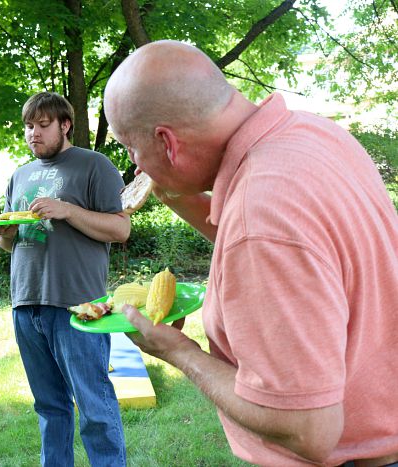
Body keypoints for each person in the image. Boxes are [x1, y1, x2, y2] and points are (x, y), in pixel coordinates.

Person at [103, 40, 398, 466]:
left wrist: (179, 352)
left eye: (132, 149)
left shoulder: (259, 217)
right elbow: (296, 250)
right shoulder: (308, 132)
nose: (136, 164)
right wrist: (181, 197)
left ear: (167, 142)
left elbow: (308, 429)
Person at [0, 91, 130, 466]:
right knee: (50, 408)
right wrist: (3, 229)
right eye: (28, 126)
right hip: (26, 304)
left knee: (94, 406)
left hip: (78, 305)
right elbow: (10, 244)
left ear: (65, 125)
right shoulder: (20, 175)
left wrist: (67, 209)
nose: (33, 134)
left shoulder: (95, 166)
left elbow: (120, 229)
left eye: (43, 125)